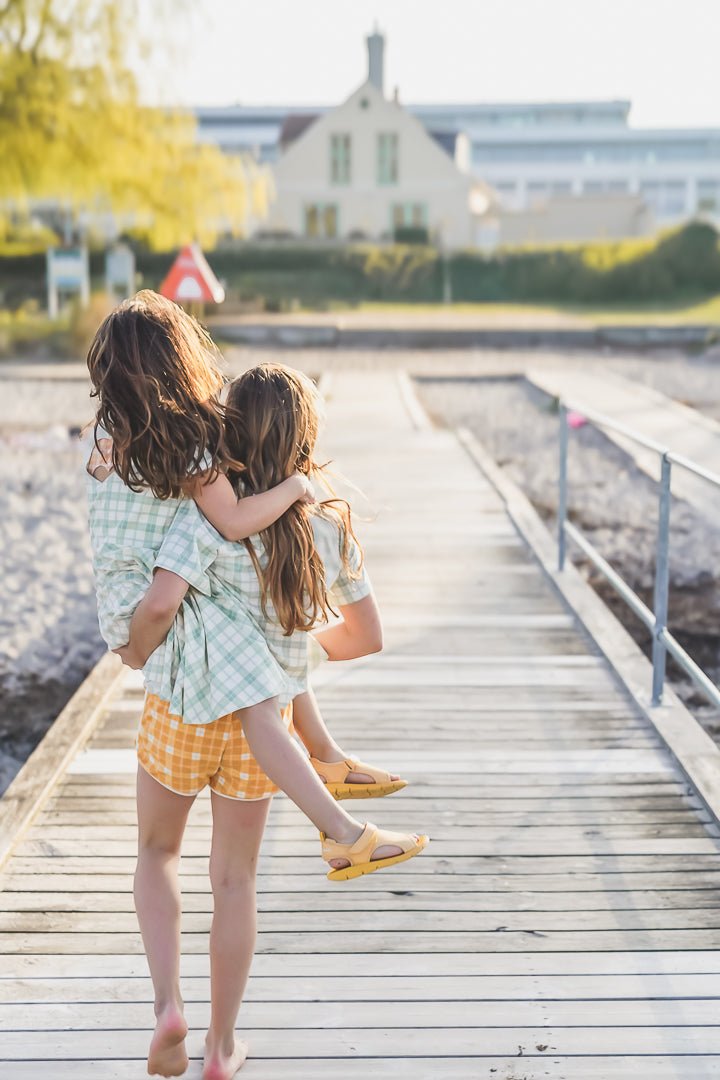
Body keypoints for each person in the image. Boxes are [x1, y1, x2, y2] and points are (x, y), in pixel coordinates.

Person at [85, 297, 427, 1078]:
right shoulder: (255, 496)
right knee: (234, 879)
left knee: (154, 853)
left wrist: (135, 639)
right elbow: (356, 634)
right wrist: (300, 494)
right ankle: (218, 1045)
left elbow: (167, 593)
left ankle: (167, 1002)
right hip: (255, 726)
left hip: (176, 698)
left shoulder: (131, 461)